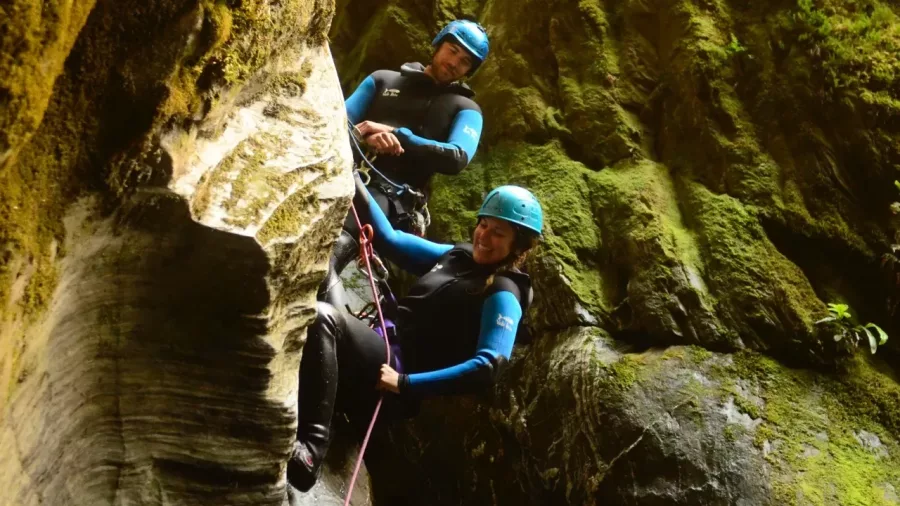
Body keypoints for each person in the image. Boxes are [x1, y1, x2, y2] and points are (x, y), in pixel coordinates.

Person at [288, 174, 543, 492]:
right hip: (378, 344)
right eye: (483, 225)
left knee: (325, 319)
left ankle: (311, 450)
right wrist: (353, 177)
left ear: (516, 246)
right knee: (323, 262)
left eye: (498, 233)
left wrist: (405, 384)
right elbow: (391, 239)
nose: (484, 237)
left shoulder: (505, 292)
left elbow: (489, 366)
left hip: (391, 376)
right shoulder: (457, 256)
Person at [320, 19, 490, 308]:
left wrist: (400, 136)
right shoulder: (383, 80)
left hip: (394, 201)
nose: (454, 63)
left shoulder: (466, 109)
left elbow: (457, 157)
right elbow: (332, 126)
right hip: (345, 174)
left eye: (464, 62)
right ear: (437, 46)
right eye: (452, 51)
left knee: (340, 242)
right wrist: (363, 137)